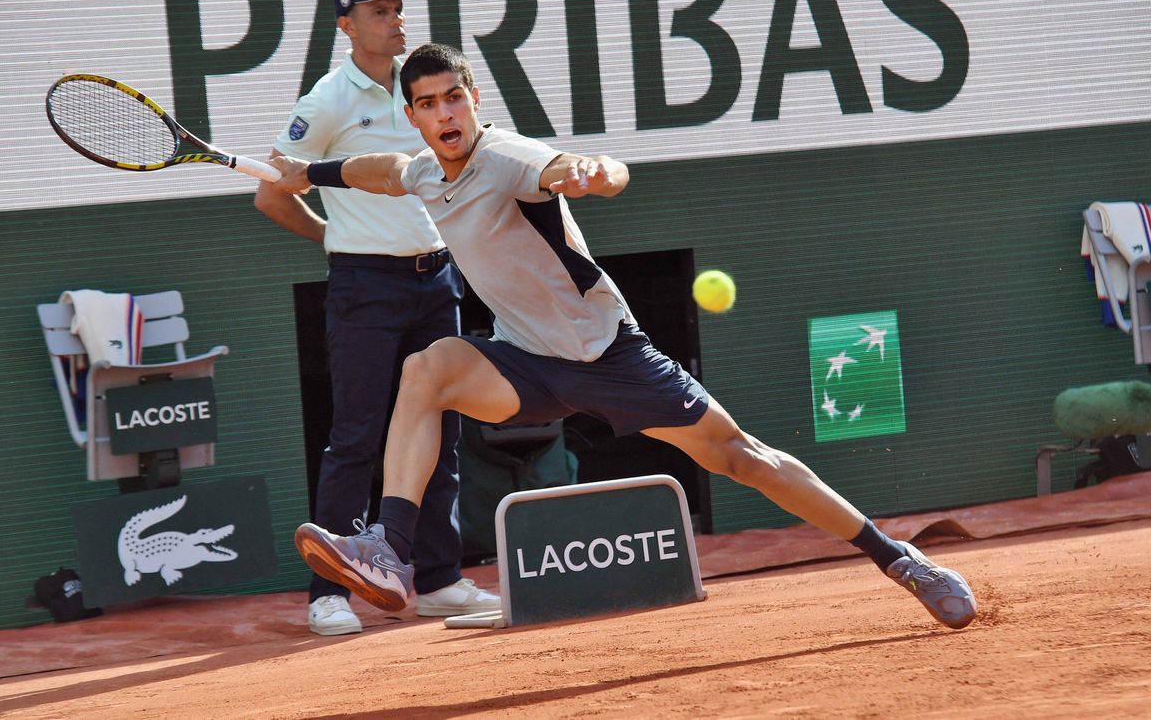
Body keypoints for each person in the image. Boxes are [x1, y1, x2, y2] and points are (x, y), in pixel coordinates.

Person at [271, 43, 978, 630]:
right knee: (430, 367)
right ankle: (393, 548)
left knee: (743, 457)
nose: (442, 113)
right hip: (528, 365)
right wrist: (314, 172)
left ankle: (901, 559)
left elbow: (591, 170)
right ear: (412, 115)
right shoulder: (423, 170)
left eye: (453, 97)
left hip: (610, 357)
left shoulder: (511, 157)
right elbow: (383, 171)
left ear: (474, 98)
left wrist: (592, 173)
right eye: (426, 104)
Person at [254, 0, 499, 636]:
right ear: (347, 26)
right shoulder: (327, 101)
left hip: (436, 280)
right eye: (380, 12)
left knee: (441, 433)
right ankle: (329, 593)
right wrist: (333, 236)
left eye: (398, 10)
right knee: (357, 436)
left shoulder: (421, 90)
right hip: (365, 287)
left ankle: (441, 582)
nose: (395, 21)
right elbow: (273, 195)